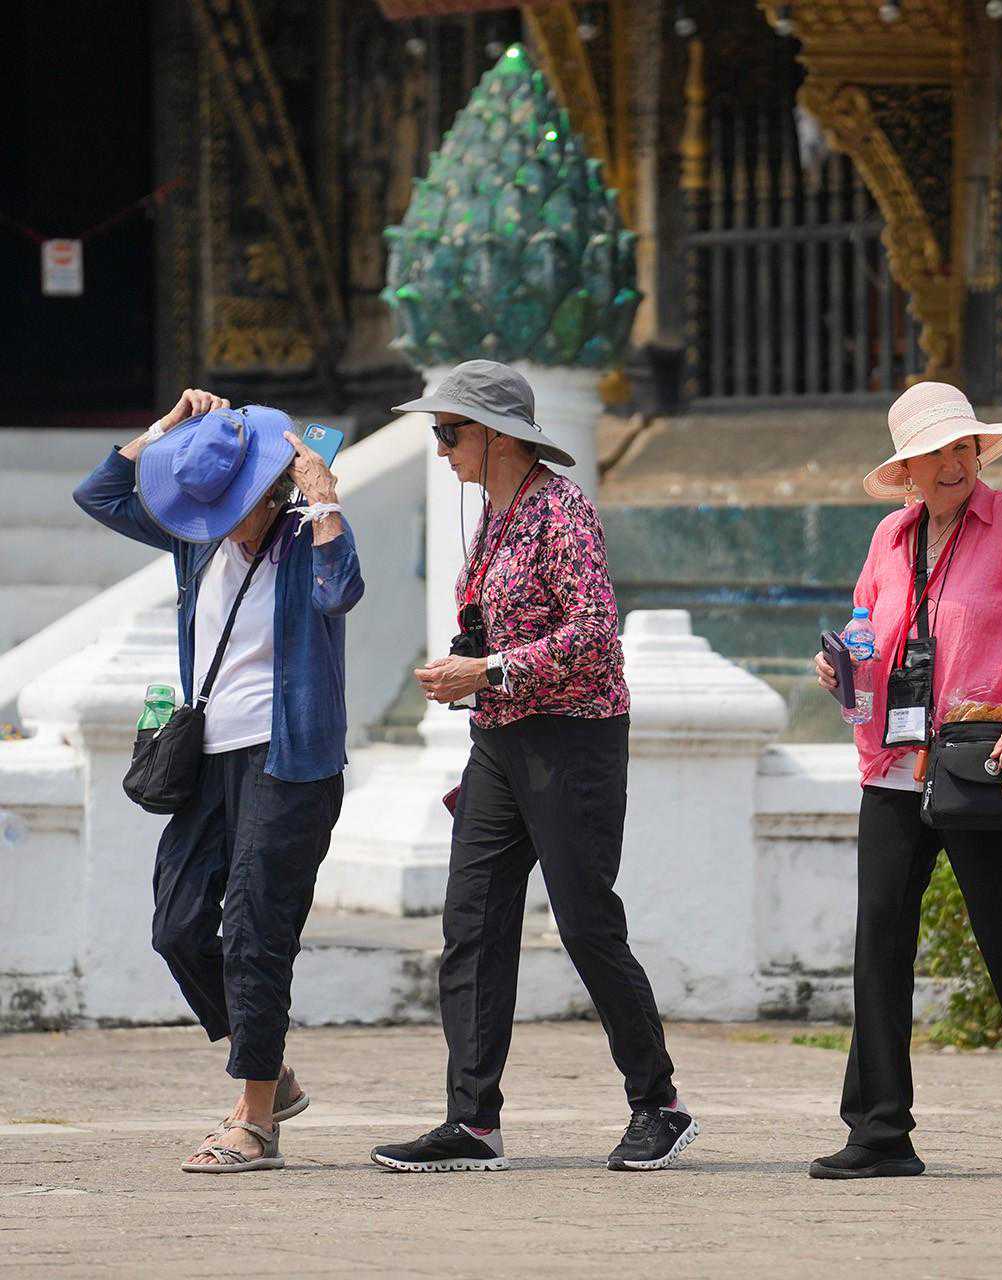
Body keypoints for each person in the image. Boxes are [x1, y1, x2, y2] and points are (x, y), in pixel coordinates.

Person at [370, 361, 690, 1174]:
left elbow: (595, 635)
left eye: (450, 433)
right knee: (472, 924)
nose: (440, 449)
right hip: (499, 740)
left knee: (585, 923)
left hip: (573, 739)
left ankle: (659, 1104)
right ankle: (472, 1121)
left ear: (497, 436)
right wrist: (475, 666)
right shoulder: (495, 515)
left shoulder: (561, 510)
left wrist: (491, 669)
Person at [807, 380, 1002, 1181]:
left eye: (963, 447)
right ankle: (880, 1132)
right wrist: (842, 664)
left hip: (984, 763)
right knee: (879, 942)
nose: (953, 463)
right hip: (891, 768)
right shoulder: (889, 536)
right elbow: (867, 625)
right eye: (935, 452)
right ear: (906, 469)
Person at [74, 388, 362, 1173]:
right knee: (177, 927)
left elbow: (341, 592)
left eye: (235, 504)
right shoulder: (197, 543)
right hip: (208, 763)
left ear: (271, 490)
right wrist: (164, 428)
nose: (221, 519)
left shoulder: (305, 538)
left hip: (289, 762)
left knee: (258, 934)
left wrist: (324, 497)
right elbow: (100, 494)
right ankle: (271, 1070)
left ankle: (254, 1121)